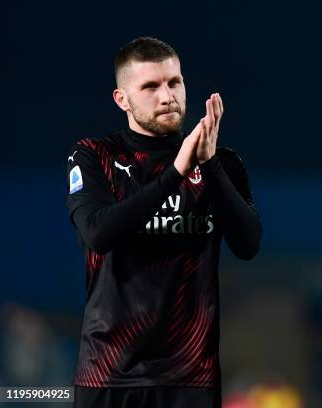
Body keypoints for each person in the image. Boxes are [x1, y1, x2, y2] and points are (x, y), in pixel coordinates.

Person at [66, 37, 261, 408]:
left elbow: (248, 245)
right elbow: (99, 233)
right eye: (150, 87)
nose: (167, 95)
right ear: (122, 99)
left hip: (191, 377)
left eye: (174, 82)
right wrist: (175, 173)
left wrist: (210, 165)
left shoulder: (222, 163)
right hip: (108, 374)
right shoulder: (95, 157)